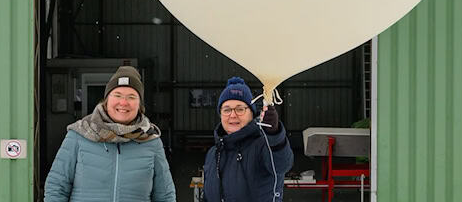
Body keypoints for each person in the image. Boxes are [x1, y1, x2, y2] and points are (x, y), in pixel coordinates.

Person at [44, 66, 176, 202]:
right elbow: (56, 187)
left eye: (131, 97)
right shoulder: (80, 134)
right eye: (117, 95)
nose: (123, 102)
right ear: (106, 101)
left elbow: (165, 195)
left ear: (139, 105)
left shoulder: (151, 141)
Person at [202, 77, 293, 201]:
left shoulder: (262, 145)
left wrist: (274, 134)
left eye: (240, 109)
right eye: (227, 110)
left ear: (252, 113)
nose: (232, 115)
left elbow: (282, 165)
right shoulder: (213, 153)